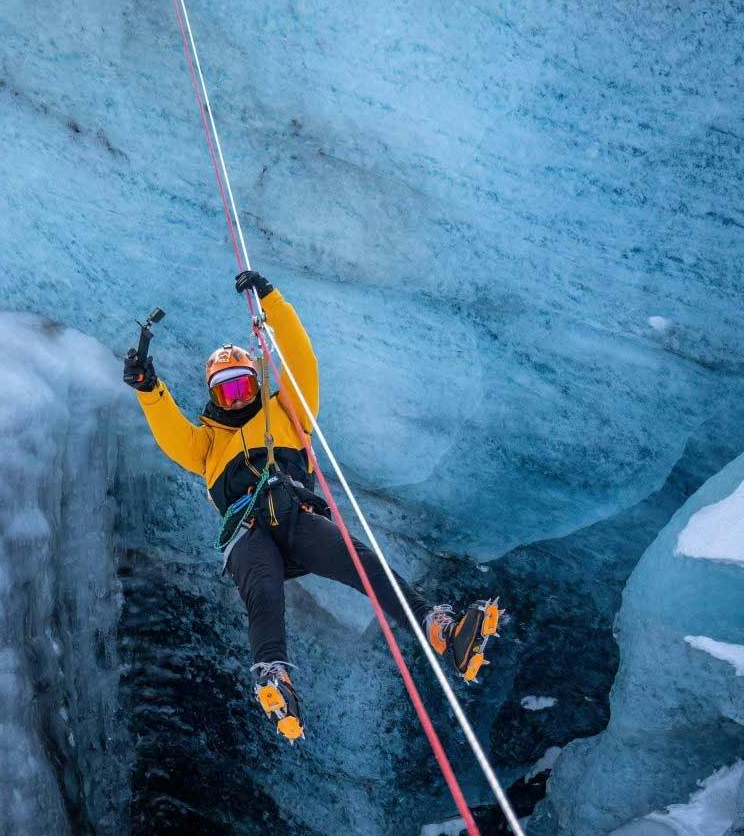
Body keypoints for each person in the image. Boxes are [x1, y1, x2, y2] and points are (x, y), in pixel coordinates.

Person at [123, 268, 498, 742]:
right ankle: (273, 675)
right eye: (226, 391)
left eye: (242, 386)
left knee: (361, 562)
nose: (236, 397)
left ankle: (437, 626)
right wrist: (150, 390)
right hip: (247, 530)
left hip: (293, 512)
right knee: (262, 590)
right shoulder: (206, 445)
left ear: (256, 383)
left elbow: (301, 361)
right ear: (213, 396)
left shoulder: (286, 412)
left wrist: (272, 302)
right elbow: (172, 434)